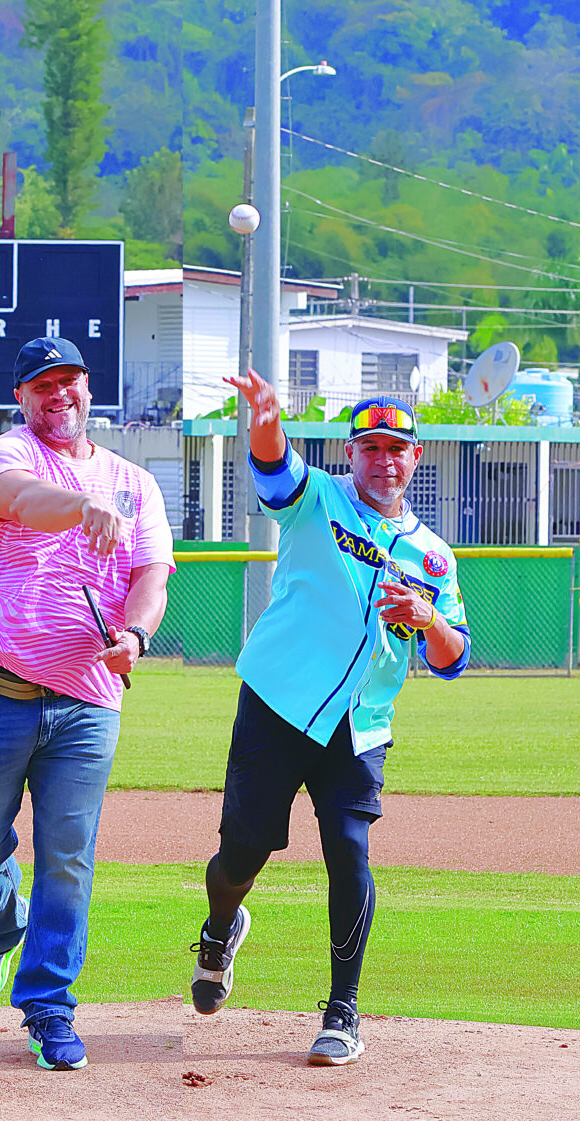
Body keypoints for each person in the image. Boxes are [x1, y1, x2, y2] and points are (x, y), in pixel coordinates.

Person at [190, 370, 470, 1066]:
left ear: (416, 457)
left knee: (349, 851)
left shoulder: (433, 555)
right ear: (352, 454)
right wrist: (263, 418)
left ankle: (342, 1010)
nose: (384, 459)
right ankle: (223, 924)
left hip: (360, 724)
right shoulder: (317, 499)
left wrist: (431, 618)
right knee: (242, 853)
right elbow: (273, 467)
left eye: (397, 447)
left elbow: (454, 655)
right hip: (278, 704)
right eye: (370, 447)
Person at [0, 336, 174, 1071]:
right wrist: (80, 506)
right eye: (43, 384)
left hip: (87, 701)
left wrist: (135, 634)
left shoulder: (136, 481)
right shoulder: (1, 457)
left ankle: (49, 1006)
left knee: (68, 859)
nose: (59, 393)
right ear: (22, 396)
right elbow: (20, 502)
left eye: (70, 380)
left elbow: (150, 576)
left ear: (87, 387)